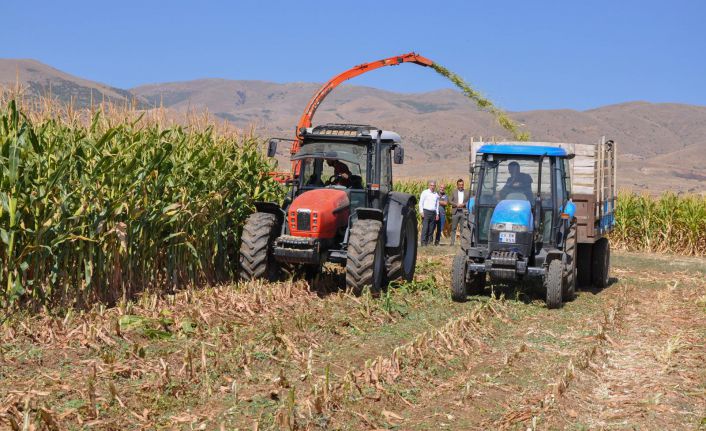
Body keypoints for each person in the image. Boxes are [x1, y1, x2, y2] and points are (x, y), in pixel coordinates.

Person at [449, 178, 470, 246]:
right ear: (457, 185)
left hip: (463, 212)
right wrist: (456, 204)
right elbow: (450, 201)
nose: (461, 186)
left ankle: (462, 244)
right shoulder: (453, 192)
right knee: (453, 228)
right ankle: (452, 243)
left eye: (462, 185)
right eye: (460, 185)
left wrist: (464, 204)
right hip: (455, 212)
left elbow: (470, 200)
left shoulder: (467, 192)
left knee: (462, 229)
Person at [418, 180, 439, 246]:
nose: (432, 187)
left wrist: (437, 214)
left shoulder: (436, 194)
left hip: (433, 213)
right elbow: (421, 202)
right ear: (429, 185)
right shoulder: (425, 192)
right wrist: (421, 211)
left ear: (435, 186)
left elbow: (437, 205)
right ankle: (423, 242)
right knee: (425, 228)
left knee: (431, 228)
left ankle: (429, 242)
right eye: (431, 185)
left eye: (434, 185)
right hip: (426, 212)